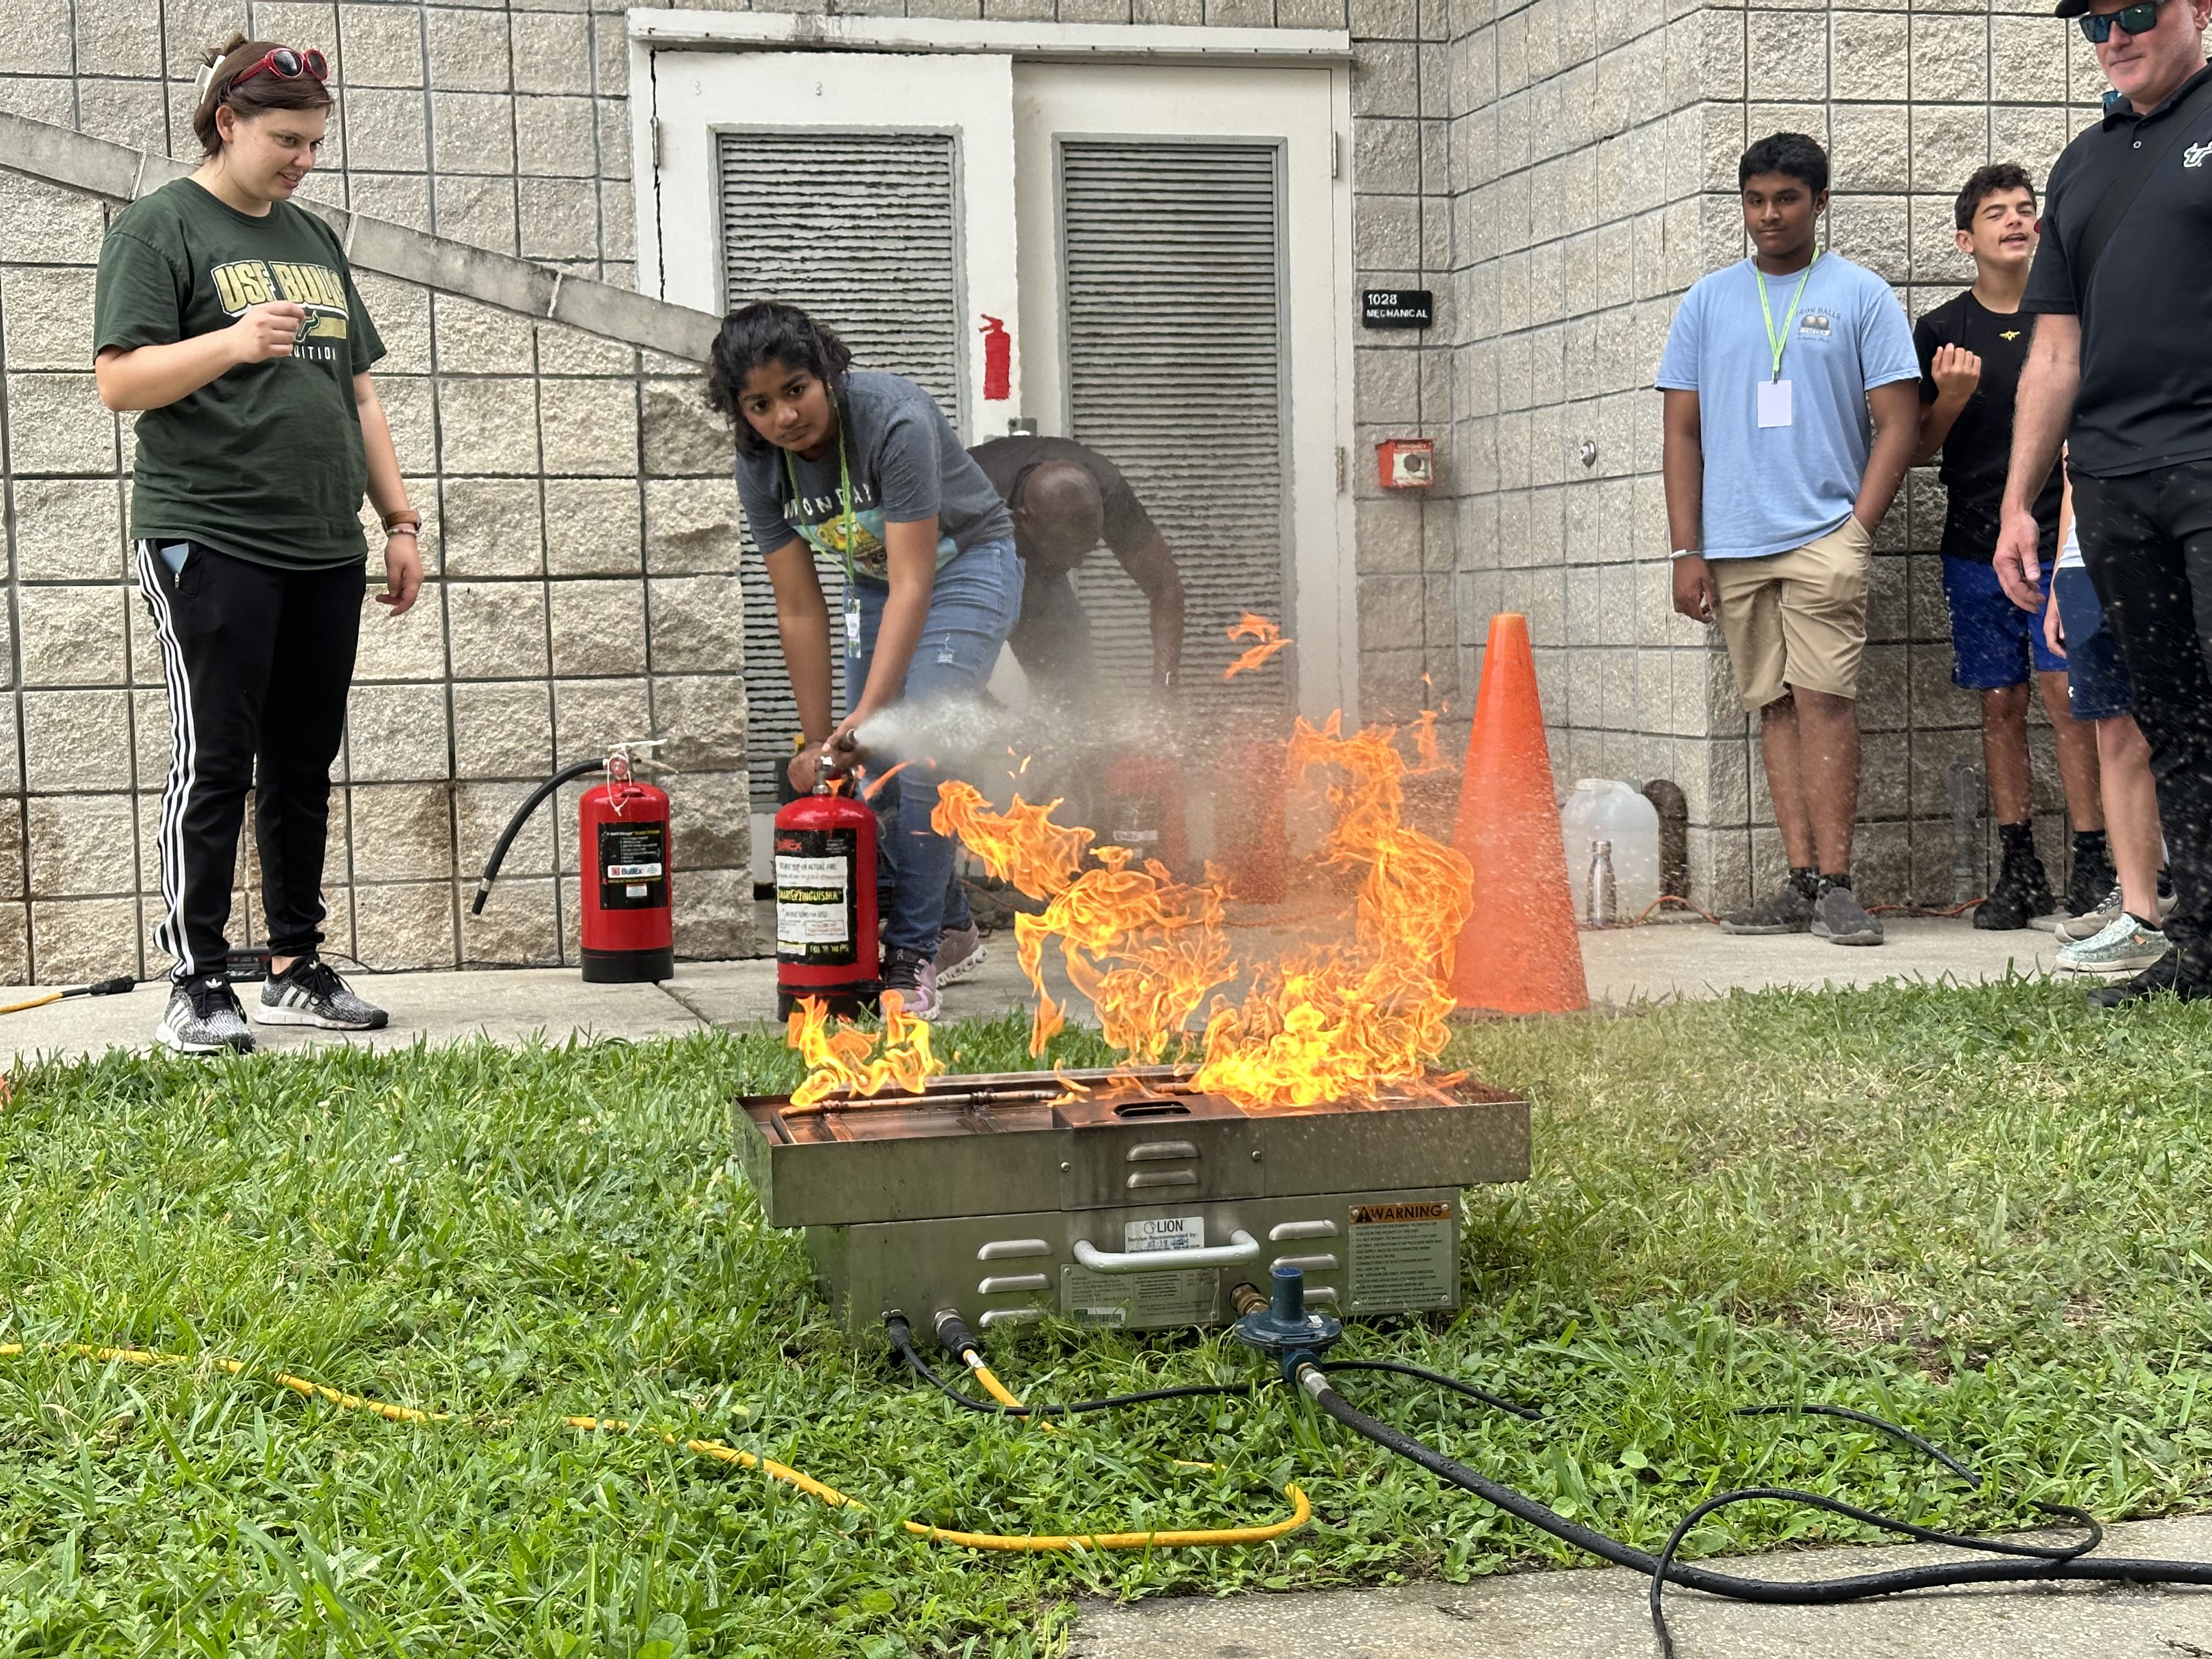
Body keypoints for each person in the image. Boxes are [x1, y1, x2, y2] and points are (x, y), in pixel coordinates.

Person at [94, 35, 422, 1054]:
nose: (303, 160)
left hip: (323, 541)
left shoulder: (313, 237)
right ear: (225, 122)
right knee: (217, 757)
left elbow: (358, 391)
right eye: (286, 139)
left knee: (302, 759)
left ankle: (294, 965)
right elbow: (120, 381)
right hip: (209, 532)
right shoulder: (160, 229)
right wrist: (232, 342)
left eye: (315, 142)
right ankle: (195, 978)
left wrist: (399, 520)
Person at [1996, 0, 2212, 1007]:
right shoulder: (2080, 164)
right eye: (2092, 23)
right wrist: (2019, 505)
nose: (2113, 36)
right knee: (2169, 719)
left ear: (2198, 9)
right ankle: (2201, 948)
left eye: (2133, 11)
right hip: (2115, 485)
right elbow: (2052, 350)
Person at [718, 302, 1021, 1019]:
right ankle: (950, 930)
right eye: (760, 405)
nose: (785, 417)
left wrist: (874, 711)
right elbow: (798, 607)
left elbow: (918, 581)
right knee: (869, 768)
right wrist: (823, 740)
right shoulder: (761, 467)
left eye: (796, 389)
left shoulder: (895, 420)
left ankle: (911, 955)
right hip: (877, 584)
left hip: (966, 566)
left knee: (915, 746)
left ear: (825, 373)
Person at [1659, 132, 1921, 946]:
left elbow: (1900, 420)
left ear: (1820, 202)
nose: (1768, 215)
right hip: (1734, 542)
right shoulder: (1707, 301)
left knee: (1825, 702)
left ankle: (1839, 883)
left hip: (1821, 538)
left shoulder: (1861, 295)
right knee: (1774, 708)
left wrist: (1857, 531)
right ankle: (1800, 880)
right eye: (1755, 199)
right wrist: (1685, 549)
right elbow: (1680, 432)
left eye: (1786, 199)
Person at [1912, 163, 2109, 930]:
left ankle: (2093, 861)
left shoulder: (2067, 318)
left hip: (2059, 535)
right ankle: (2018, 865)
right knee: (2002, 703)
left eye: (2026, 210)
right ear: (1967, 238)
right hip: (1972, 542)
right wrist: (1952, 398)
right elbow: (1921, 447)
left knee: (2070, 697)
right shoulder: (1941, 330)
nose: (2016, 221)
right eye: (1997, 213)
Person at [2044, 475, 2172, 975]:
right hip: (2087, 557)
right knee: (2115, 736)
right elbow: (2075, 460)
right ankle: (2139, 913)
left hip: (2170, 541)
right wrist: (2060, 572)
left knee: (2182, 725)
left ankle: (2175, 889)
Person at [967, 435, 1187, 699]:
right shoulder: (969, 497)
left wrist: (1165, 683)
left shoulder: (1108, 492)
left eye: (1090, 543)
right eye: (1069, 547)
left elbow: (1165, 587)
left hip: (1039, 583)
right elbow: (911, 593)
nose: (1081, 561)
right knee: (948, 693)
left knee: (1077, 699)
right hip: (960, 579)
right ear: (1024, 520)